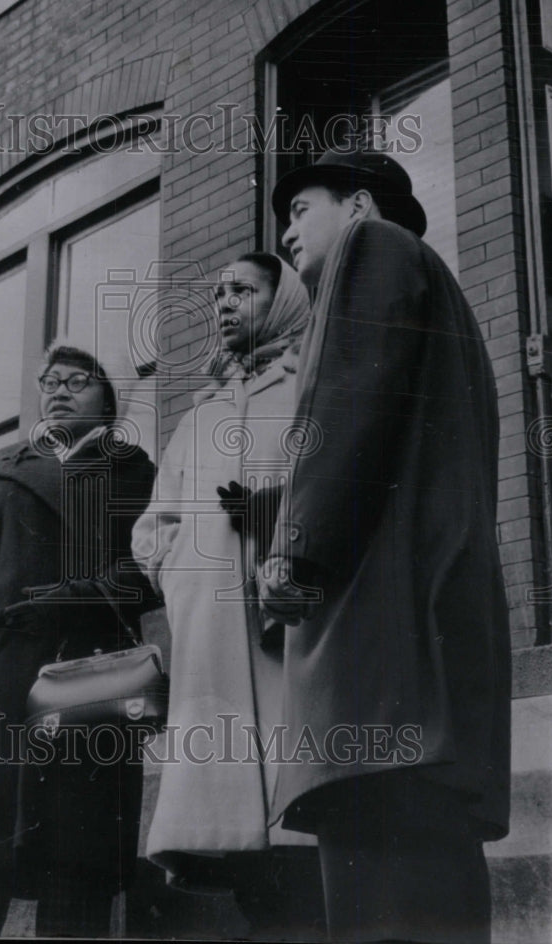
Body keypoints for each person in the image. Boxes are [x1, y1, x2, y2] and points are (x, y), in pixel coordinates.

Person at [260, 149, 511, 944]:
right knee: (428, 884)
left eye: (300, 210)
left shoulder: (376, 251)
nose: (286, 235)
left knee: (379, 894)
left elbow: (347, 405)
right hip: (420, 641)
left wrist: (292, 552)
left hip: (380, 639)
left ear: (359, 205)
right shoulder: (441, 294)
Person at [0, 342, 156, 938]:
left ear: (108, 400)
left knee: (78, 863)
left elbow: (156, 565)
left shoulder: (137, 474)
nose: (60, 390)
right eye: (51, 380)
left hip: (93, 676)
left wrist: (79, 595)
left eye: (78, 381)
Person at [131, 253, 325, 940]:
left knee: (293, 809)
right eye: (216, 292)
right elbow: (157, 518)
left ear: (282, 301)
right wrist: (175, 565)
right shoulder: (202, 408)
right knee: (226, 814)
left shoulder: (312, 386)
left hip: (288, 627)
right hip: (210, 634)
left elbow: (335, 491)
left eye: (241, 290)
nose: (222, 302)